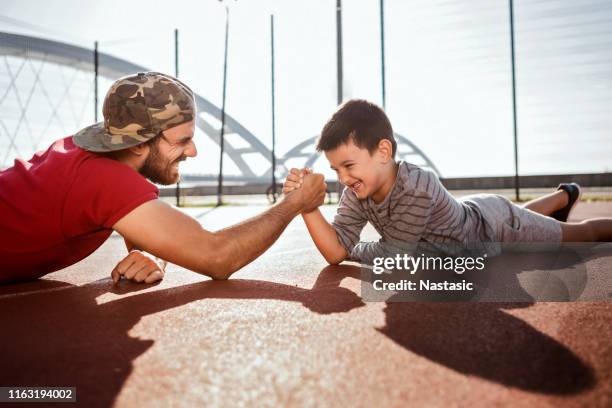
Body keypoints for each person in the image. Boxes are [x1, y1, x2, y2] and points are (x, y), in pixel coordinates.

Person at [0, 72, 327, 284]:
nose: (194, 151)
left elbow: (142, 225)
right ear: (140, 143)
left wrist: (154, 253)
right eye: (182, 140)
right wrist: (296, 202)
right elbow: (217, 256)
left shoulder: (94, 160)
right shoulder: (105, 179)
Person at [283, 99, 612, 265]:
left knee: (582, 237)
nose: (342, 178)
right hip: (481, 217)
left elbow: (395, 256)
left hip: (493, 228)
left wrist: (349, 248)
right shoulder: (358, 187)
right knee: (520, 216)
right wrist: (306, 207)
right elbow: (336, 251)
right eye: (335, 169)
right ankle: (563, 198)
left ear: (383, 151)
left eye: (348, 165)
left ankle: (565, 201)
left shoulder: (414, 188)